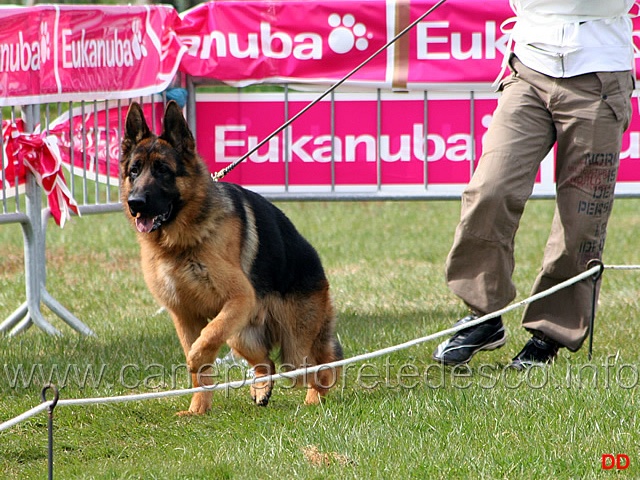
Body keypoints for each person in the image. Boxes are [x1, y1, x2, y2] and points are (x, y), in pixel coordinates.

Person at [432, 0, 635, 369]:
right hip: (529, 68)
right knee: (489, 190)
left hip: (600, 75)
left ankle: (549, 335)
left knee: (581, 220)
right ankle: (484, 315)